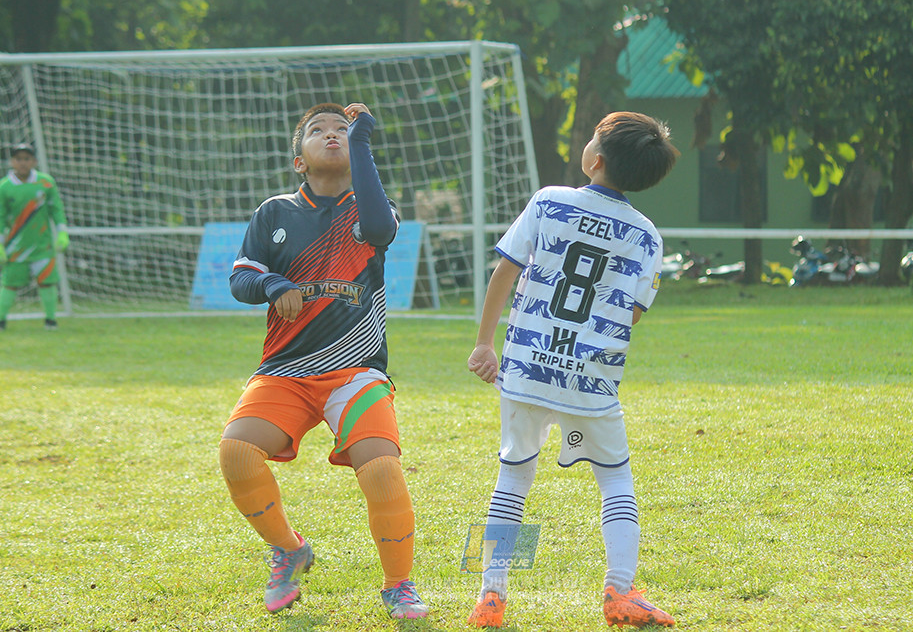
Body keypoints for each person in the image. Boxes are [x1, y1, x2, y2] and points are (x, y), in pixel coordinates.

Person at [466, 111, 679, 629]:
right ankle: (620, 591)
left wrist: (485, 343)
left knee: (513, 476)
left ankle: (491, 595)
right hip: (590, 380)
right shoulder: (647, 236)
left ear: (595, 158)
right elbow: (631, 314)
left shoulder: (549, 201)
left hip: (526, 367)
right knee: (615, 479)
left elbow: (506, 270)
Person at [219, 102, 429, 619]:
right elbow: (241, 278)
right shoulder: (274, 212)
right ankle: (289, 549)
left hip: (356, 372)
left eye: (342, 129)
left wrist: (362, 142)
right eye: (318, 130)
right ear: (299, 161)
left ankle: (398, 586)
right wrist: (272, 282)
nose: (332, 134)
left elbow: (380, 230)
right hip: (285, 371)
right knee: (237, 452)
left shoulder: (371, 207)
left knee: (381, 468)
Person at [0, 143, 69, 331]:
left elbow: (57, 209)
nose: (23, 163)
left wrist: (62, 232)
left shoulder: (46, 183)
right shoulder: (4, 187)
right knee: (10, 284)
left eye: (27, 159)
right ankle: (1, 320)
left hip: (42, 245)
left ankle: (51, 320)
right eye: (18, 159)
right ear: (12, 162)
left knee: (47, 282)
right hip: (15, 246)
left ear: (34, 161)